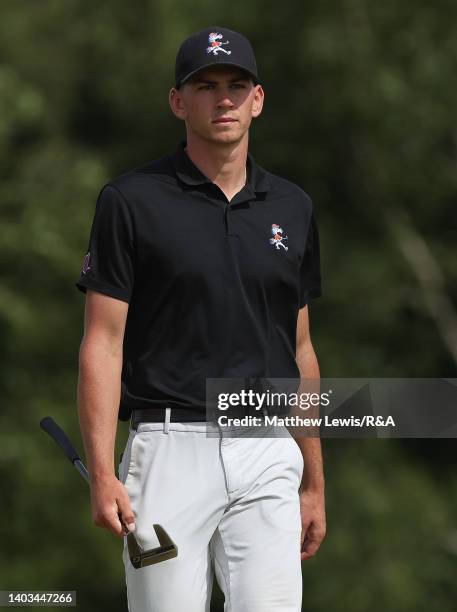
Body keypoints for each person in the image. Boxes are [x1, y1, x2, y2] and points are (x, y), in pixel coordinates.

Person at [76, 25, 326, 612]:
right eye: (205, 86)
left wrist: (313, 480)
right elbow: (102, 344)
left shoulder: (293, 207)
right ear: (177, 101)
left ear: (257, 100)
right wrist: (101, 472)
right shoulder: (130, 201)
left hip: (267, 449)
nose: (223, 100)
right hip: (168, 449)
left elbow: (302, 350)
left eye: (237, 85)